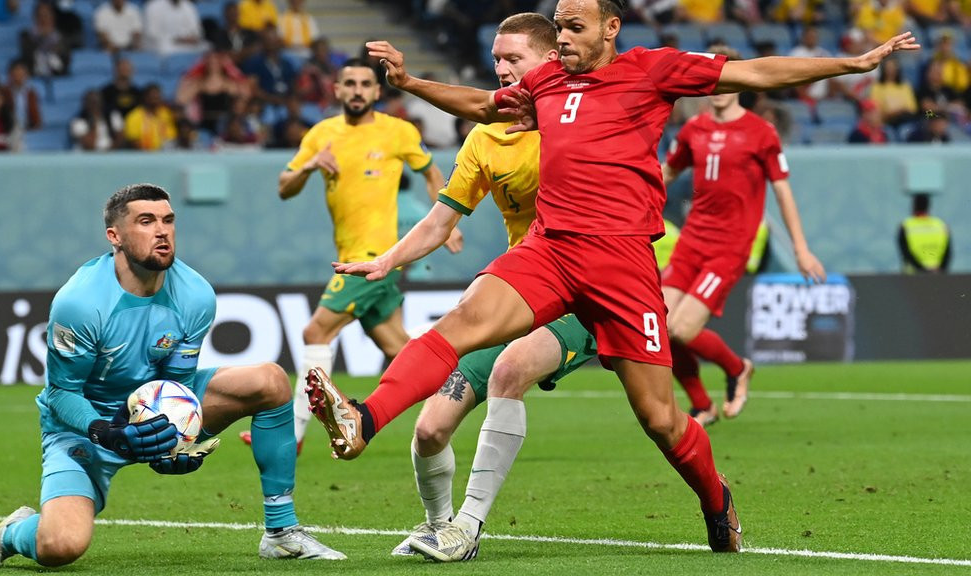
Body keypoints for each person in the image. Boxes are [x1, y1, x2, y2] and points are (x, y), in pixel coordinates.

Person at [306, 0, 917, 561]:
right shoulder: (545, 82)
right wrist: (410, 84)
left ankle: (715, 498)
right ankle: (365, 419)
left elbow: (754, 73)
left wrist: (852, 63)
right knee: (464, 325)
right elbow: (481, 106)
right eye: (559, 26)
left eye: (574, 27)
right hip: (550, 249)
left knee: (660, 420)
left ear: (610, 28)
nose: (564, 39)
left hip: (622, 267)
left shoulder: (654, 70)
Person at [0, 184, 345, 570]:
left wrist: (177, 442)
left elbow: (175, 385)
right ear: (115, 236)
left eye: (168, 220)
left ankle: (281, 532)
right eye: (146, 221)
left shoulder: (195, 294)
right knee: (61, 546)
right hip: (86, 425)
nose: (162, 231)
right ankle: (12, 532)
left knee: (270, 380)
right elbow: (62, 393)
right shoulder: (80, 303)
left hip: (151, 406)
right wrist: (104, 430)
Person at [335, 13, 597, 558]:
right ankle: (439, 525)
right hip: (522, 288)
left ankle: (468, 528)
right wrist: (387, 261)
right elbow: (439, 221)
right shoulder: (485, 138)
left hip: (587, 291)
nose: (501, 70)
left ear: (550, 61)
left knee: (511, 370)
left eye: (513, 60)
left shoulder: (582, 117)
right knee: (431, 428)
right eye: (497, 60)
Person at [274, 57, 454, 452]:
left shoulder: (397, 132)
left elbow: (430, 171)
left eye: (364, 84)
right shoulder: (322, 134)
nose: (356, 90)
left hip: (375, 257)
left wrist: (447, 220)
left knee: (314, 331)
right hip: (354, 254)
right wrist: (308, 167)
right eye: (349, 83)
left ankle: (295, 432)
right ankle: (457, 394)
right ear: (337, 90)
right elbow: (284, 186)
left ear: (376, 91)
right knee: (399, 349)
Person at [661, 44, 826, 426]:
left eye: (726, 73)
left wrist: (801, 249)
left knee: (682, 329)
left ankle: (737, 368)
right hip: (692, 242)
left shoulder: (760, 132)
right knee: (658, 324)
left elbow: (783, 191)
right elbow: (667, 174)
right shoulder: (693, 130)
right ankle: (702, 405)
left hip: (730, 247)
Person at [898, 192, 951, 273]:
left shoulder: (906, 226)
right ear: (928, 207)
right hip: (937, 277)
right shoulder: (941, 225)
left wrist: (922, 270)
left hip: (912, 278)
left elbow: (905, 252)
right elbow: (948, 253)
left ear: (913, 207)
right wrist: (940, 271)